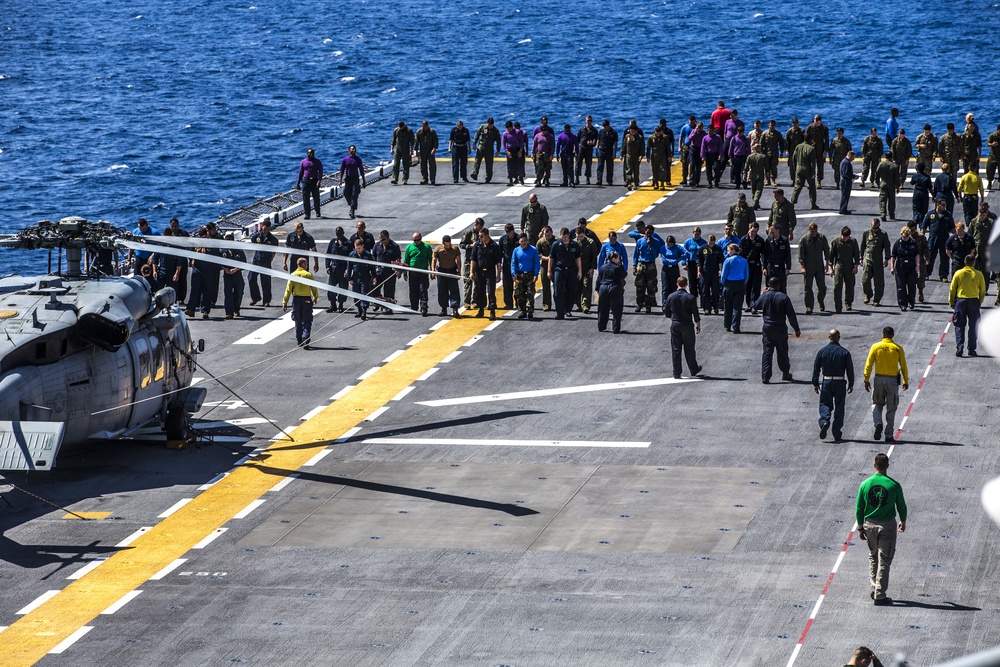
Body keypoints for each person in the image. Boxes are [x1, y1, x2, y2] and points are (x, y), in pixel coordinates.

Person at [856, 452, 908, 605]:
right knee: (884, 560)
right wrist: (902, 521)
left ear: (874, 465)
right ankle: (880, 594)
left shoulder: (865, 484)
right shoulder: (894, 485)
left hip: (869, 525)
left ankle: (874, 587)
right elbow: (902, 507)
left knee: (873, 556)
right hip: (887, 525)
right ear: (887, 466)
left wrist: (860, 527)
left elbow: (859, 508)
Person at [863, 326, 909, 442]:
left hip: (879, 379)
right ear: (892, 335)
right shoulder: (898, 348)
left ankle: (878, 422)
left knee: (877, 404)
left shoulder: (876, 347)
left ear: (882, 334)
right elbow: (903, 366)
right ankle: (889, 434)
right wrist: (905, 381)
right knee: (891, 407)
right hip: (892, 381)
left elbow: (868, 364)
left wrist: (866, 379)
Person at [754, 276, 801, 383]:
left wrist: (763, 293)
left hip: (768, 328)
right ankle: (785, 373)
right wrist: (796, 328)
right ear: (779, 285)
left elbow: (755, 306)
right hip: (780, 328)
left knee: (767, 352)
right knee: (782, 351)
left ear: (769, 286)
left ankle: (765, 376)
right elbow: (791, 314)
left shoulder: (765, 296)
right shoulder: (784, 297)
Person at [812, 329, 855, 441]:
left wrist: (815, 383)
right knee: (839, 407)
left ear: (829, 337)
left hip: (826, 381)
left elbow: (816, 368)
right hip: (840, 381)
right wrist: (851, 383)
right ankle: (836, 432)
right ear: (838, 337)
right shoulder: (844, 352)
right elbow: (849, 369)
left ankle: (824, 421)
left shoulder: (822, 351)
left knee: (825, 403)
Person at [664, 276, 702, 379]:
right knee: (689, 348)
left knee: (676, 349)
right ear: (686, 285)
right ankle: (693, 369)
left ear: (677, 284)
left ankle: (677, 372)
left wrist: (672, 318)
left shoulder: (671, 296)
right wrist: (697, 323)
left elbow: (666, 311)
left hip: (676, 324)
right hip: (687, 325)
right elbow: (695, 312)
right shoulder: (690, 297)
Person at [950, 254, 986, 357]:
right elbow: (983, 290)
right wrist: (980, 302)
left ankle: (960, 346)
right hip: (973, 301)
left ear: (965, 262)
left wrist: (951, 301)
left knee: (959, 325)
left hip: (961, 301)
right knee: (973, 326)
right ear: (973, 263)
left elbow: (952, 289)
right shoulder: (979, 274)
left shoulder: (958, 273)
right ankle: (971, 349)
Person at [282, 257, 319, 348]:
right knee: (307, 320)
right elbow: (314, 288)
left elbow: (288, 290)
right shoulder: (308, 275)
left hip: (296, 300)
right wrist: (315, 297)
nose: (307, 266)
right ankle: (305, 337)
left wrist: (285, 302)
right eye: (306, 264)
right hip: (306, 299)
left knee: (297, 320)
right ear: (302, 264)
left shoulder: (293, 275)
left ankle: (299, 340)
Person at [185, 227, 220, 319]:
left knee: (207, 290)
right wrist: (193, 257)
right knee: (194, 289)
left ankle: (205, 310)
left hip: (208, 269)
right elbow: (189, 252)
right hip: (197, 268)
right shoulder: (195, 243)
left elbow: (216, 256)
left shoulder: (211, 244)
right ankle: (191, 309)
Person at [549, 227, 582, 320]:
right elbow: (551, 258)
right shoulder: (556, 245)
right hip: (559, 269)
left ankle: (568, 309)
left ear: (569, 236)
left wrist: (579, 271)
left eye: (566, 237)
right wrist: (549, 270)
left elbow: (578, 258)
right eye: (563, 237)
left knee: (571, 290)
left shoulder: (574, 245)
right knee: (558, 291)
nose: (565, 239)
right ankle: (560, 312)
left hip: (571, 269)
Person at [798, 221, 830, 314]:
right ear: (809, 230)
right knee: (808, 287)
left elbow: (826, 251)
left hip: (819, 266)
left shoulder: (822, 238)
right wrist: (803, 267)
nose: (814, 233)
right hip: (808, 266)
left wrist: (827, 263)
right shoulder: (804, 240)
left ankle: (821, 301)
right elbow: (801, 255)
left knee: (822, 287)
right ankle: (809, 306)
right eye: (812, 231)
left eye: (815, 231)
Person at [470, 228, 502, 319]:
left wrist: (498, 275)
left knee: (491, 291)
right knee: (480, 291)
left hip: (490, 271)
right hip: (479, 272)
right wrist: (472, 272)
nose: (480, 238)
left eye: (481, 236)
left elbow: (498, 262)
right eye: (479, 236)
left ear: (487, 235)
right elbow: (473, 259)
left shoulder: (494, 246)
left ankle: (492, 311)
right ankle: (481, 310)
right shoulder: (477, 245)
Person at [922, 196, 955, 282]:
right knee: (930, 256)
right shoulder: (930, 214)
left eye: (945, 204)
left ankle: (943, 275)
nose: (944, 206)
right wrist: (921, 237)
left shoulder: (947, 215)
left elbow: (952, 228)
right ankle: (926, 273)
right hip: (933, 238)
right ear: (938, 205)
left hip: (944, 238)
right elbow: (924, 226)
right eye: (943, 205)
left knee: (944, 257)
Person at [860, 218, 892, 306]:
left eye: (876, 228)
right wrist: (860, 257)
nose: (874, 229)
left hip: (878, 261)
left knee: (879, 282)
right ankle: (868, 293)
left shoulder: (883, 234)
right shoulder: (866, 233)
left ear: (879, 226)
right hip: (868, 260)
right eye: (873, 227)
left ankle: (877, 299)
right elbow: (862, 246)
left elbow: (887, 247)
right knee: (865, 280)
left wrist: (886, 259)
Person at [829, 225, 860, 313]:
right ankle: (838, 306)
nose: (845, 239)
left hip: (849, 266)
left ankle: (848, 303)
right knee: (837, 286)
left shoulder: (853, 242)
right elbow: (831, 256)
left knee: (850, 285)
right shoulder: (835, 242)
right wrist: (831, 268)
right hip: (839, 265)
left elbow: (856, 254)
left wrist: (855, 266)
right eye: (843, 237)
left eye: (847, 237)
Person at [248, 221, 279, 307]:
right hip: (256, 261)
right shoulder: (257, 236)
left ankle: (266, 301)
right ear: (262, 227)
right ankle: (256, 297)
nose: (266, 231)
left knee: (265, 282)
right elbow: (253, 242)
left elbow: (274, 251)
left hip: (266, 262)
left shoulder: (272, 239)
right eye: (265, 229)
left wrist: (270, 260)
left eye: (268, 229)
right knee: (251, 278)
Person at [890, 226, 920, 311]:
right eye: (903, 236)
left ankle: (911, 302)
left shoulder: (913, 243)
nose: (904, 238)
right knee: (901, 287)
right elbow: (893, 256)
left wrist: (917, 266)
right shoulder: (898, 243)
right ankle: (903, 304)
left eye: (906, 236)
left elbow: (916, 254)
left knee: (911, 286)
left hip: (911, 267)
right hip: (900, 267)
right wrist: (892, 267)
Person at [596, 251, 627, 333]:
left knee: (602, 308)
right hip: (614, 287)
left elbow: (599, 279)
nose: (619, 260)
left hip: (603, 287)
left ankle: (601, 326)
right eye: (618, 258)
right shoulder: (617, 268)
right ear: (614, 259)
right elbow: (624, 275)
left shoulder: (603, 267)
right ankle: (616, 328)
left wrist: (597, 288)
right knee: (617, 308)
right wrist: (620, 265)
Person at [510, 233, 540, 320]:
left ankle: (530, 310)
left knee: (530, 293)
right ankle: (522, 310)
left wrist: (536, 274)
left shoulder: (533, 250)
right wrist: (513, 273)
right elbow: (513, 263)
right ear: (519, 241)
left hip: (530, 274)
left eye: (525, 241)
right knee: (519, 293)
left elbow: (536, 263)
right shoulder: (516, 251)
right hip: (519, 275)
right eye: (522, 241)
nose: (524, 243)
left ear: (527, 240)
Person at [720, 243, 748, 333]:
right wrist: (743, 283)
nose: (727, 252)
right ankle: (736, 327)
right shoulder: (744, 261)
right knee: (737, 307)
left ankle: (727, 325)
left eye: (728, 250)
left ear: (733, 250)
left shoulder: (727, 260)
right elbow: (746, 274)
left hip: (729, 284)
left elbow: (723, 275)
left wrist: (724, 283)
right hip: (740, 284)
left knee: (728, 306)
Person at [432, 234, 462, 317]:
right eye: (446, 245)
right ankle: (443, 309)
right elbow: (434, 260)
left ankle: (455, 309)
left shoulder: (455, 249)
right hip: (442, 271)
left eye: (449, 244)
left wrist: (459, 272)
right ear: (443, 243)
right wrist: (433, 272)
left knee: (454, 290)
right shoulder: (438, 249)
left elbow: (458, 260)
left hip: (452, 271)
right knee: (442, 291)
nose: (448, 246)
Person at [403, 231, 432, 316]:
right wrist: (405, 273)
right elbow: (406, 261)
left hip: (423, 271)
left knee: (423, 289)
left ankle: (423, 307)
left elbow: (431, 260)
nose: (416, 242)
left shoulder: (426, 247)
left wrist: (432, 272)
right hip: (413, 272)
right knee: (413, 290)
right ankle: (414, 307)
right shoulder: (409, 247)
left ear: (421, 238)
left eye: (418, 240)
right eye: (414, 240)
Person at [740, 221, 768, 312]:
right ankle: (749, 304)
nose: (754, 233)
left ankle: (754, 305)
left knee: (756, 286)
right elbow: (741, 254)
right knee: (748, 285)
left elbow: (764, 254)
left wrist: (764, 267)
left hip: (756, 265)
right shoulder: (744, 240)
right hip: (747, 265)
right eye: (752, 231)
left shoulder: (760, 240)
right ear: (749, 229)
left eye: (756, 232)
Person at [371, 230, 401, 311]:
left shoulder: (394, 246)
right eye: (380, 239)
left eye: (383, 239)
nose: (382, 241)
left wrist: (398, 271)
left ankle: (388, 307)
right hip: (379, 271)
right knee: (374, 288)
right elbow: (373, 257)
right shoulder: (377, 245)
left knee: (389, 290)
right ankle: (378, 302)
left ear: (388, 238)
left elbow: (398, 259)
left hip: (390, 272)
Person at [324, 226, 352, 313]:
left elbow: (350, 258)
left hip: (343, 268)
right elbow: (328, 254)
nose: (338, 235)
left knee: (343, 288)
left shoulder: (348, 243)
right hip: (334, 268)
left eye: (340, 233)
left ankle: (341, 305)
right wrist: (327, 266)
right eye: (337, 233)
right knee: (331, 287)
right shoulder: (333, 242)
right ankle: (333, 305)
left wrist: (348, 270)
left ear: (343, 233)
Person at [459, 217, 486, 307]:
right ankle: (467, 301)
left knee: (477, 282)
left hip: (478, 260)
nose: (480, 229)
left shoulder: (481, 234)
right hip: (469, 260)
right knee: (468, 280)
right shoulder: (468, 233)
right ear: (476, 225)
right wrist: (471, 246)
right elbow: (461, 245)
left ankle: (475, 300)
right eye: (479, 227)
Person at [348, 238, 376, 320]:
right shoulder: (352, 255)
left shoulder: (367, 255)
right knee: (356, 294)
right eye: (356, 248)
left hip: (365, 277)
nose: (358, 250)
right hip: (356, 277)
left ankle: (364, 311)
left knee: (364, 294)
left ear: (362, 246)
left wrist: (374, 276)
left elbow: (372, 266)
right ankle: (359, 310)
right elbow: (349, 267)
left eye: (359, 248)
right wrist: (349, 278)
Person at [219, 234, 246, 319]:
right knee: (228, 293)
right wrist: (225, 269)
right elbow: (219, 263)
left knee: (238, 292)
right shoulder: (223, 252)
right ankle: (229, 312)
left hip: (237, 274)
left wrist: (235, 269)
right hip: (227, 275)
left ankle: (236, 309)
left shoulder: (239, 251)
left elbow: (244, 263)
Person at [698, 234, 724, 315]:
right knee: (705, 291)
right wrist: (698, 271)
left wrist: (720, 270)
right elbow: (699, 260)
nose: (711, 244)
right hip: (705, 272)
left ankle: (715, 306)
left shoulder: (718, 248)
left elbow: (720, 260)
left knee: (715, 290)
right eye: (710, 243)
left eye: (712, 243)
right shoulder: (703, 248)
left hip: (714, 272)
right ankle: (707, 308)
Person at [969, 201, 997, 276]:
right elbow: (970, 235)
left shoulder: (991, 221)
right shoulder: (974, 221)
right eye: (980, 215)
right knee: (975, 267)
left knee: (985, 269)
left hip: (986, 247)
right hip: (976, 248)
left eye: (984, 215)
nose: (981, 217)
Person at [681, 226, 706, 308]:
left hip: (700, 264)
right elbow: (684, 253)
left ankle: (703, 302)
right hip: (691, 264)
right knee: (692, 283)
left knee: (701, 283)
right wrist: (684, 263)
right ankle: (693, 301)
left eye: (698, 234)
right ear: (693, 233)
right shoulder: (688, 242)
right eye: (695, 234)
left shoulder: (703, 242)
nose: (697, 236)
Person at [575, 227, 598, 313]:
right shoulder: (574, 242)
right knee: (577, 287)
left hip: (587, 268)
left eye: (581, 236)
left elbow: (594, 256)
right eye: (578, 236)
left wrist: (592, 268)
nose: (579, 238)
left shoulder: (591, 243)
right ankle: (579, 305)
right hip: (577, 269)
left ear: (584, 234)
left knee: (586, 286)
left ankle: (585, 306)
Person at [790, 137, 818, 209]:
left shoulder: (798, 146)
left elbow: (793, 158)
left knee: (797, 186)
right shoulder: (812, 149)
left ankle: (792, 202)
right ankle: (813, 204)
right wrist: (813, 173)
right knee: (812, 187)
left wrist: (795, 168)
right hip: (807, 169)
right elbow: (812, 163)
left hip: (799, 168)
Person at [338, 145, 365, 219]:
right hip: (348, 178)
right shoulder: (345, 159)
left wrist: (364, 180)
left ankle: (352, 210)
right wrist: (340, 180)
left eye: (354, 149)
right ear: (349, 150)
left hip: (355, 178)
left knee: (354, 194)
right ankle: (352, 205)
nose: (354, 150)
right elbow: (342, 170)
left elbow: (361, 170)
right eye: (352, 149)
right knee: (346, 193)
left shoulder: (358, 159)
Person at [471, 117, 501, 183]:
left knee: (489, 164)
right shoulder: (482, 127)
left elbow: (498, 141)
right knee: (477, 161)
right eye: (489, 124)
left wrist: (498, 150)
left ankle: (488, 177)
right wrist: (474, 143)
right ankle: (475, 174)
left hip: (489, 148)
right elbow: (477, 134)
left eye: (491, 125)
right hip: (481, 146)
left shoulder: (495, 130)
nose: (490, 126)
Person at [764, 224, 792, 293]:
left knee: (782, 287)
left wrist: (788, 268)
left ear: (778, 231)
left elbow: (787, 255)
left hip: (780, 268)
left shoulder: (784, 241)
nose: (772, 234)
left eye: (773, 232)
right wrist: (764, 268)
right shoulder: (768, 241)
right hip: (771, 268)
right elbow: (765, 255)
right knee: (769, 287)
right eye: (771, 233)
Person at [296, 148, 323, 219]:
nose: (309, 154)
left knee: (316, 197)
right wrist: (298, 183)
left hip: (314, 181)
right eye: (308, 153)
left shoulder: (317, 162)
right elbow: (300, 173)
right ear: (306, 153)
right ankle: (307, 214)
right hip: (306, 181)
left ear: (313, 154)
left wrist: (319, 181)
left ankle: (317, 210)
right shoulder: (303, 162)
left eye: (311, 153)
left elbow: (320, 172)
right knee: (305, 198)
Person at [498, 223, 519, 310]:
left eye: (510, 233)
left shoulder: (519, 238)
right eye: (507, 233)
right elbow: (500, 253)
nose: (509, 235)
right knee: (507, 286)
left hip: (517, 265)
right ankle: (508, 304)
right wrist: (500, 265)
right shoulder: (503, 239)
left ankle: (519, 303)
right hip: (507, 265)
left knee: (518, 286)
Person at [659, 234, 683, 308]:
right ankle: (665, 305)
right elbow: (664, 259)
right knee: (665, 287)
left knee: (674, 287)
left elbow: (686, 253)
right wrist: (675, 261)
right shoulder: (663, 248)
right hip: (666, 269)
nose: (669, 245)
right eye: (668, 243)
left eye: (671, 244)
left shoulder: (677, 247)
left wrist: (679, 259)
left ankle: (674, 304)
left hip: (674, 269)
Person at [806, 115, 830, 188]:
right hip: (811, 149)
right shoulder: (810, 127)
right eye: (815, 120)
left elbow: (826, 140)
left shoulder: (824, 128)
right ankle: (810, 181)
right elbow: (807, 139)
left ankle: (819, 181)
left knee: (820, 166)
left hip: (820, 149)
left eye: (817, 121)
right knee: (810, 166)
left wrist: (825, 151)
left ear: (820, 121)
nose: (816, 122)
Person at [874, 152, 899, 221]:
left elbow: (877, 174)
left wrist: (878, 183)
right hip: (891, 185)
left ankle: (883, 214)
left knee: (882, 200)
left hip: (883, 183)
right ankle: (891, 214)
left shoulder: (881, 164)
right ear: (891, 157)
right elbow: (897, 178)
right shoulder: (894, 166)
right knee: (891, 200)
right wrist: (898, 187)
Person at [575, 115, 599, 185]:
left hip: (589, 149)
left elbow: (597, 139)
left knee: (588, 164)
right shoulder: (582, 129)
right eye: (588, 121)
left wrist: (593, 144)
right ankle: (577, 178)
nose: (589, 122)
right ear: (586, 121)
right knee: (578, 163)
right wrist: (575, 148)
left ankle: (587, 178)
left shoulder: (594, 130)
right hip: (581, 148)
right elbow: (577, 139)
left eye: (590, 121)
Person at [646, 125, 671, 190]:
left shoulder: (665, 137)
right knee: (655, 170)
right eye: (656, 132)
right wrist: (648, 156)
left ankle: (662, 184)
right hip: (654, 156)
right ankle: (656, 183)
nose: (657, 134)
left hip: (662, 156)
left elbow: (668, 147)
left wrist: (669, 156)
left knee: (662, 170)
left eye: (659, 132)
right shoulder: (651, 138)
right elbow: (648, 148)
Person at [536, 226, 554, 311]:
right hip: (545, 265)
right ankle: (546, 304)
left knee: (558, 285)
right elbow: (538, 254)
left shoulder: (557, 241)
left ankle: (559, 303)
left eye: (549, 235)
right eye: (546, 235)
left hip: (555, 265)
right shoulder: (540, 242)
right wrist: (547, 258)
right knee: (545, 286)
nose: (547, 237)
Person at [761, 119, 784, 186]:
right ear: (768, 125)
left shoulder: (778, 134)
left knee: (773, 167)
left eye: (773, 125)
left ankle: (773, 180)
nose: (772, 126)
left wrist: (781, 152)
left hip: (774, 153)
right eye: (771, 125)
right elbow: (761, 143)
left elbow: (781, 143)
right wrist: (761, 153)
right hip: (766, 153)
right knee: (766, 167)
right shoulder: (764, 133)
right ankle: (767, 180)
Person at [502, 120, 525, 186]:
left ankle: (521, 178)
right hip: (510, 150)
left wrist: (520, 151)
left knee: (519, 164)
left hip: (517, 149)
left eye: (510, 128)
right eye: (507, 128)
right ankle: (511, 180)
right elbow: (503, 143)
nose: (509, 129)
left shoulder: (518, 132)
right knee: (510, 166)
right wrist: (506, 151)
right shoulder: (505, 134)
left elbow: (521, 142)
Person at [415, 120, 438, 185]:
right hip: (422, 150)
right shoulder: (419, 132)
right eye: (422, 126)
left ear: (427, 126)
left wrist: (434, 149)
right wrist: (416, 151)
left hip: (430, 150)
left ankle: (432, 179)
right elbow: (416, 142)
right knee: (423, 165)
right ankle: (425, 178)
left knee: (432, 165)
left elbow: (435, 140)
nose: (423, 127)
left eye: (424, 126)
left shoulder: (432, 131)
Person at [532, 121, 555, 187]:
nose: (543, 131)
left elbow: (552, 146)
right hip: (539, 154)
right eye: (542, 129)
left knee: (547, 168)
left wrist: (551, 154)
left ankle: (546, 180)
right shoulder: (537, 136)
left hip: (547, 154)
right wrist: (533, 153)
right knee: (539, 168)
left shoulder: (550, 136)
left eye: (545, 129)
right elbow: (534, 145)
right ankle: (539, 181)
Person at [621, 125, 644, 190]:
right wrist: (621, 154)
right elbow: (624, 146)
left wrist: (641, 155)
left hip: (636, 157)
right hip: (629, 156)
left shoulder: (640, 137)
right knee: (628, 170)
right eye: (631, 130)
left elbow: (642, 148)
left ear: (636, 130)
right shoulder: (627, 137)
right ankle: (629, 183)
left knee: (636, 171)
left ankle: (636, 184)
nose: (631, 132)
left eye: (633, 131)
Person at [597, 119, 619, 186]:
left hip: (609, 151)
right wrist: (596, 149)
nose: (605, 128)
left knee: (610, 167)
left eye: (606, 126)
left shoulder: (614, 132)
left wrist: (614, 153)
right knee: (600, 166)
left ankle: (609, 180)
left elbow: (615, 143)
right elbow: (598, 140)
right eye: (604, 127)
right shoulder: (601, 132)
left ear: (609, 125)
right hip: (601, 150)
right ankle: (599, 180)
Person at [784, 118, 805, 183]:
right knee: (792, 167)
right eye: (794, 123)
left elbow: (805, 141)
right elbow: (787, 142)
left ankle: (801, 180)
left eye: (796, 123)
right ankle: (793, 180)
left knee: (801, 167)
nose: (795, 125)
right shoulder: (789, 132)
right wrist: (787, 150)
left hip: (800, 152)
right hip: (791, 152)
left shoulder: (802, 131)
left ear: (798, 123)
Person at [687, 121, 707, 187]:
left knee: (698, 167)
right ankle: (691, 180)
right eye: (698, 128)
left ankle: (697, 181)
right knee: (692, 165)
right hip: (693, 149)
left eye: (700, 128)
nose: (699, 129)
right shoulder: (693, 131)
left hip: (700, 149)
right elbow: (689, 139)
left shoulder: (704, 133)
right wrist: (695, 132)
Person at [678, 115, 695, 186]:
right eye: (690, 121)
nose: (691, 122)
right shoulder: (685, 127)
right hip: (686, 146)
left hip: (693, 147)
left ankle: (692, 179)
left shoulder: (696, 127)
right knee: (684, 162)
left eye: (692, 121)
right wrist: (679, 147)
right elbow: (681, 137)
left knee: (693, 163)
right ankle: (684, 178)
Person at [839, 150, 857, 214]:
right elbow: (846, 174)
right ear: (849, 156)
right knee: (845, 196)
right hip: (845, 181)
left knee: (845, 196)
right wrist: (853, 176)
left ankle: (843, 209)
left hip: (845, 180)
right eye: (853, 158)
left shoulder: (845, 162)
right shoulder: (846, 163)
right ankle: (842, 210)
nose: (853, 159)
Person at [987, 123, 1000, 190]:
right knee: (989, 170)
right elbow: (988, 144)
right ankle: (989, 182)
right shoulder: (992, 136)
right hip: (993, 156)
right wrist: (992, 144)